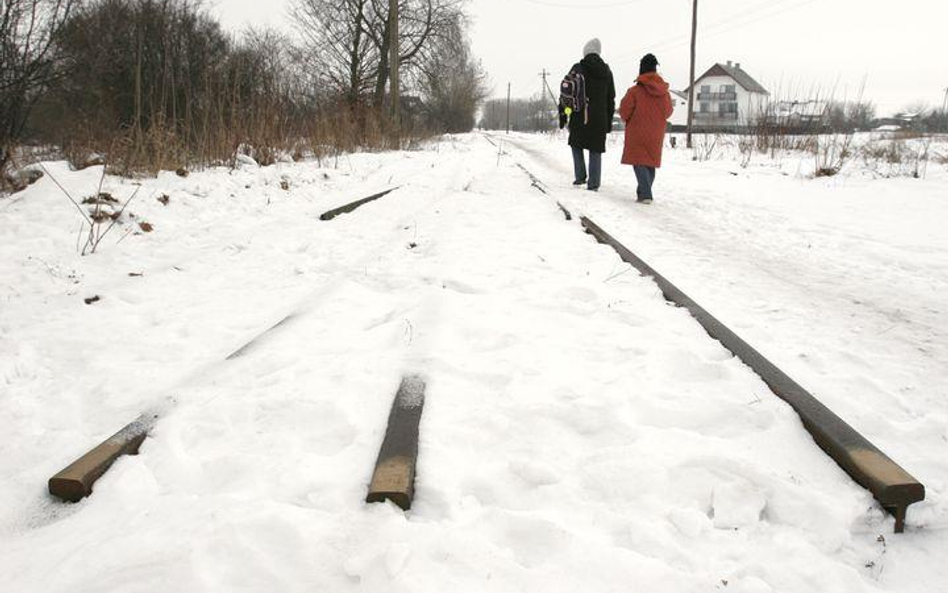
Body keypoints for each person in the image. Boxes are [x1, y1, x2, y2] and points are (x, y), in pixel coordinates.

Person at [559, 38, 616, 191]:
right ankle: (594, 183)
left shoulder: (577, 68)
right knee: (595, 148)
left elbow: (566, 94)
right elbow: (611, 98)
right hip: (600, 117)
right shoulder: (607, 71)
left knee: (575, 144)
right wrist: (609, 121)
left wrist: (564, 114)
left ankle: (580, 176)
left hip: (579, 115)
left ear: (585, 52)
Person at [618, 53, 673, 204]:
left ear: (641, 70)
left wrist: (629, 118)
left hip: (637, 131)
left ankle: (646, 194)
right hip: (656, 133)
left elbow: (624, 111)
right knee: (650, 163)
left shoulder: (634, 91)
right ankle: (642, 193)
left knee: (639, 161)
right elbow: (668, 112)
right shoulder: (664, 93)